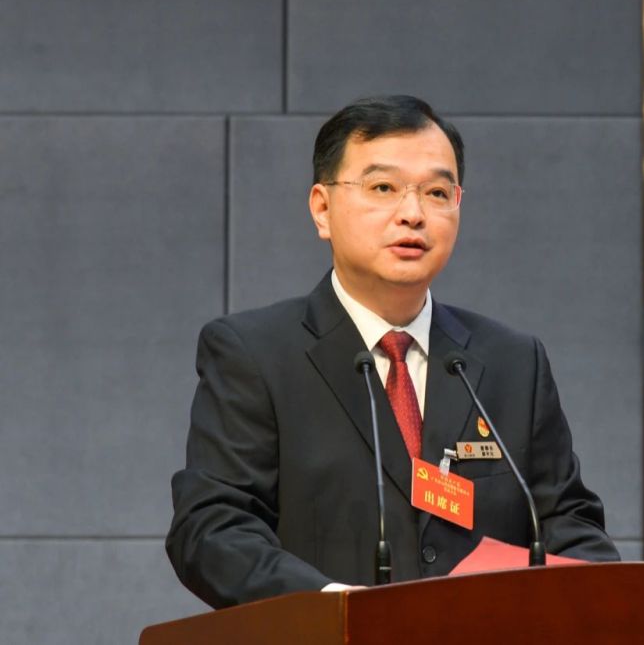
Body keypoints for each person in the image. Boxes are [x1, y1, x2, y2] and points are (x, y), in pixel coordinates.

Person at [166, 95, 619, 609]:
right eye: (383, 188)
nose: (413, 214)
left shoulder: (513, 363)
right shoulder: (255, 354)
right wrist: (335, 607)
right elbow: (213, 529)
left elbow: (569, 525)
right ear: (322, 208)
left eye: (437, 193)